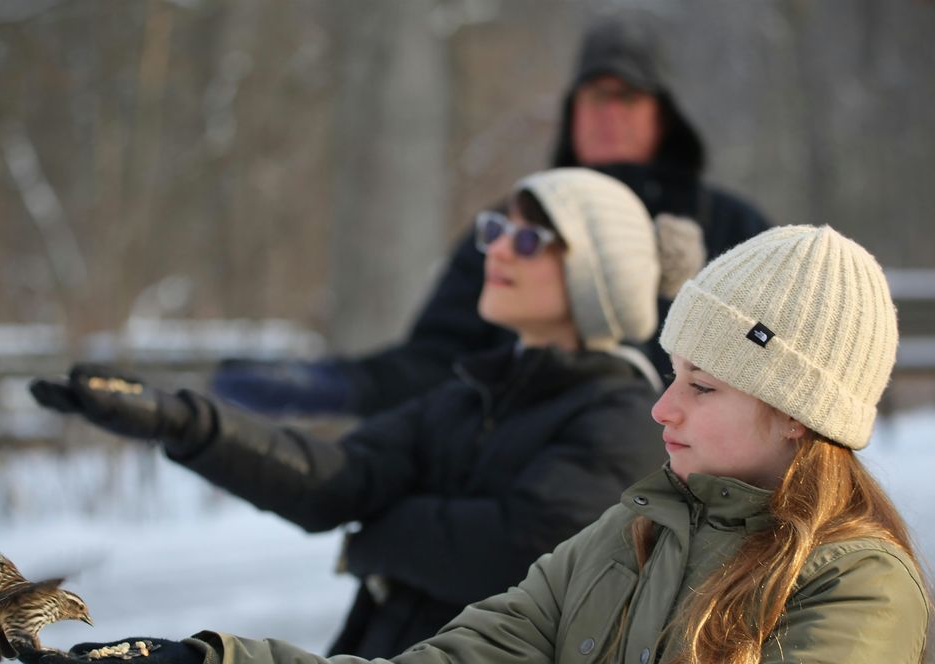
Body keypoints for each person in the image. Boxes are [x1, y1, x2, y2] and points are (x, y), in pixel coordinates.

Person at [20, 224, 934, 664]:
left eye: (701, 384)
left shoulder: (859, 584)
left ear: (793, 412)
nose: (665, 407)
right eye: (671, 376)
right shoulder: (628, 535)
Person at [28, 168, 704, 664]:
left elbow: (513, 549)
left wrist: (380, 532)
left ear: (597, 277)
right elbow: (339, 480)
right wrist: (183, 423)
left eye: (528, 239)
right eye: (495, 231)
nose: (497, 250)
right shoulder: (472, 394)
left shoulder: (622, 417)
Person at [212, 16, 770, 417]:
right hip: (535, 473)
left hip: (688, 496)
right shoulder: (514, 226)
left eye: (625, 96)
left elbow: (770, 368)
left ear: (664, 113)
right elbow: (438, 358)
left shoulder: (731, 230)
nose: (605, 114)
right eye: (590, 97)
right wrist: (344, 385)